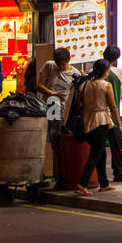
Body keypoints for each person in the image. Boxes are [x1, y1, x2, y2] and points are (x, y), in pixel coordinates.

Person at [65, 60, 121, 195]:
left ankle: (104, 183)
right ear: (106, 71)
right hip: (101, 120)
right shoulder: (106, 85)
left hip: (87, 121)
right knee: (95, 154)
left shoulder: (84, 85)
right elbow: (113, 107)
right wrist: (119, 124)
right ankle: (82, 183)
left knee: (100, 153)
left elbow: (80, 105)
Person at [38, 48, 80, 185]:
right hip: (51, 105)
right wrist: (54, 94)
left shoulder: (75, 74)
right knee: (54, 141)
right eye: (58, 64)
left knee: (62, 142)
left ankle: (60, 173)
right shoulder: (49, 65)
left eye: (62, 64)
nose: (61, 67)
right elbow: (40, 85)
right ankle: (55, 173)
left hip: (66, 109)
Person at [102, 45, 122, 183]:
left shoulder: (96, 71)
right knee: (116, 147)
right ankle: (119, 173)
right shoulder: (120, 73)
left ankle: (100, 176)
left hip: (98, 118)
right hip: (113, 117)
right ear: (117, 58)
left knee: (98, 149)